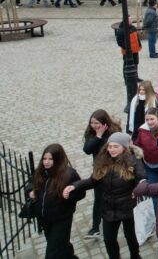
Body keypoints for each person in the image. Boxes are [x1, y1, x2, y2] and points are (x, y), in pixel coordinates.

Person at [65, 133, 146, 259]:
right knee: (108, 240)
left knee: (131, 237)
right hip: (109, 207)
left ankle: (135, 256)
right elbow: (93, 180)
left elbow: (141, 178)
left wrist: (140, 187)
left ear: (124, 147)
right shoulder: (104, 161)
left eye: (115, 146)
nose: (111, 149)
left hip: (128, 207)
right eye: (110, 146)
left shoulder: (133, 161)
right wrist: (75, 185)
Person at [28, 144, 85, 259]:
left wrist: (69, 193)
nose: (46, 162)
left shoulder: (69, 174)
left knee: (52, 254)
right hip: (45, 219)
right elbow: (30, 184)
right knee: (61, 246)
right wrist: (30, 191)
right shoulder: (41, 171)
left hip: (61, 220)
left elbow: (81, 192)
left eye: (50, 159)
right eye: (44, 159)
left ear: (58, 159)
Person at [82, 110, 122, 239]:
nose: (94, 125)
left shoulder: (113, 132)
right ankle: (95, 228)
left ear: (104, 122)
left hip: (113, 170)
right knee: (98, 198)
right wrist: (98, 136)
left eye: (97, 123)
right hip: (99, 170)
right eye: (92, 122)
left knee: (118, 196)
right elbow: (87, 149)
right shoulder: (92, 133)